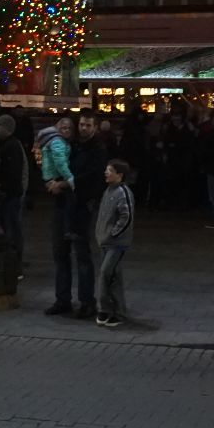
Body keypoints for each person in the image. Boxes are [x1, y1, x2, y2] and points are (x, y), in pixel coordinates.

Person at [36, 116, 92, 317]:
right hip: (63, 205)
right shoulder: (66, 145)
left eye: (87, 125)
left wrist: (63, 183)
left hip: (79, 208)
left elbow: (88, 179)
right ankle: (63, 300)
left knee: (81, 256)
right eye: (82, 125)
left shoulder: (87, 149)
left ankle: (86, 301)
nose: (83, 128)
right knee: (61, 255)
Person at [94, 159, 136, 328]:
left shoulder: (122, 192)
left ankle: (106, 308)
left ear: (120, 175)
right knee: (113, 275)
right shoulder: (108, 191)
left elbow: (126, 216)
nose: (106, 173)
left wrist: (113, 233)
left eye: (110, 170)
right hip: (105, 240)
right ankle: (116, 310)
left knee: (106, 273)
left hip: (116, 243)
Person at [0, 114, 28, 274]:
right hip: (8, 194)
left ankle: (14, 264)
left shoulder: (11, 147)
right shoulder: (9, 145)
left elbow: (13, 174)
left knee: (11, 228)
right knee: (10, 227)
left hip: (10, 195)